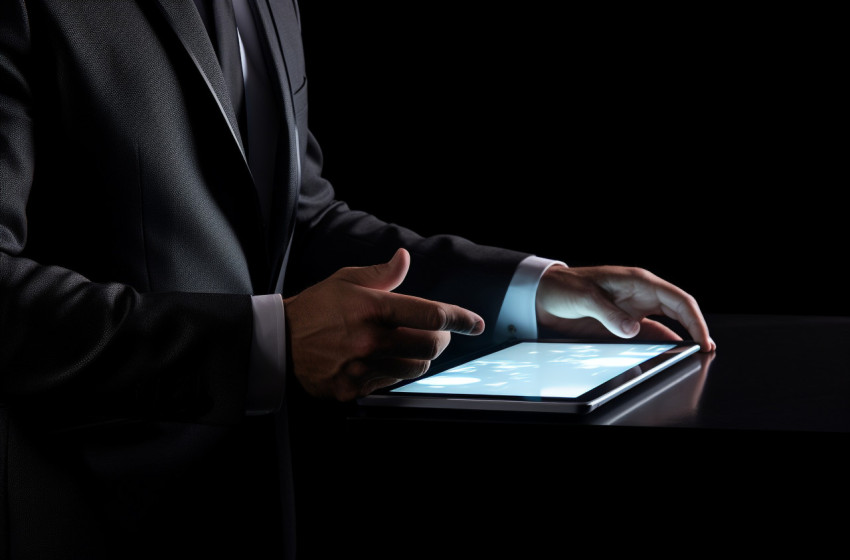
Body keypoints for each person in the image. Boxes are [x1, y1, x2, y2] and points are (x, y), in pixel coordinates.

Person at [0, 1, 714, 558]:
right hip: (75, 518)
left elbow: (297, 219)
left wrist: (532, 289)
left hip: (248, 510)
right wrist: (267, 342)